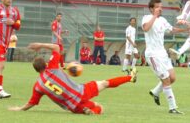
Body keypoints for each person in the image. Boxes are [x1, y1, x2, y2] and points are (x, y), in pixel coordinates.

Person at [8, 43, 137, 114]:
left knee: (99, 107)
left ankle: (91, 110)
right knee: (105, 83)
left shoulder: (38, 86)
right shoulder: (52, 67)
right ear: (46, 64)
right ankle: (129, 77)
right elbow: (57, 47)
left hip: (73, 106)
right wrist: (40, 45)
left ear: (36, 70)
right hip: (81, 90)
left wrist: (19, 109)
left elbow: (31, 103)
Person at [142, 0, 190, 114]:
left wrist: (186, 30)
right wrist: (154, 16)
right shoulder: (147, 18)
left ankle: (155, 92)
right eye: (158, 7)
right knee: (166, 79)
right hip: (153, 55)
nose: (160, 9)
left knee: (172, 78)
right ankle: (172, 107)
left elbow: (171, 30)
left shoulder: (163, 20)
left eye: (161, 7)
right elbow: (145, 28)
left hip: (162, 54)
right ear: (151, 9)